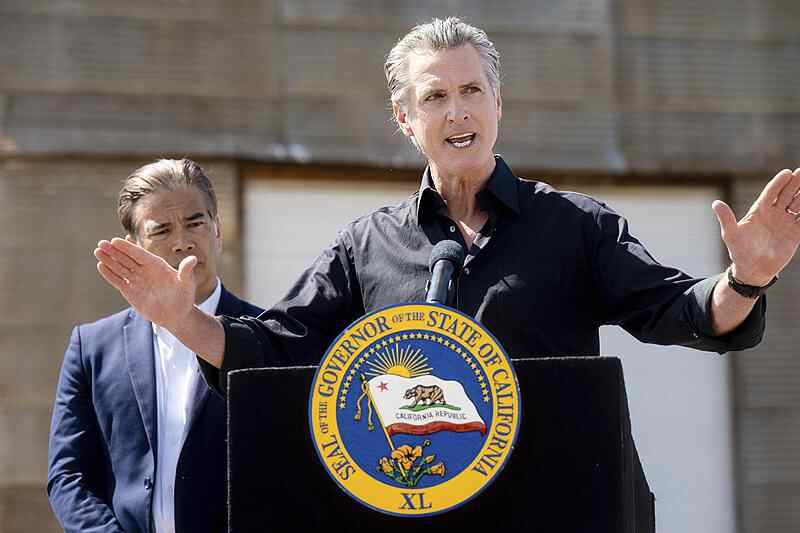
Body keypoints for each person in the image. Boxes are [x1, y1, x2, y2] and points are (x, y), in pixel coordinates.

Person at [93, 18, 800, 395]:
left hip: (557, 502)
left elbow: (681, 311)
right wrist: (184, 320)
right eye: (434, 96)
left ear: (498, 104)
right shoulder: (366, 246)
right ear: (405, 119)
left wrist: (747, 279)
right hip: (414, 500)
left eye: (471, 91)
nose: (457, 111)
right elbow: (275, 349)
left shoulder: (574, 225)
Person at [48, 159, 264, 533]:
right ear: (135, 247)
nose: (183, 242)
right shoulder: (92, 347)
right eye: (161, 230)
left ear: (217, 229)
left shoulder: (267, 335)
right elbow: (69, 476)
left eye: (195, 223)